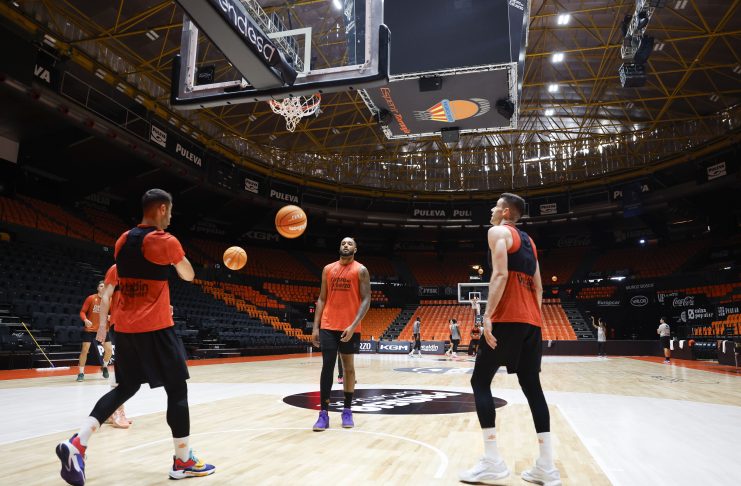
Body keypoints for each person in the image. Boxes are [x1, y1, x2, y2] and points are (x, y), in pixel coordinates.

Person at [56, 189, 215, 485]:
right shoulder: (165, 241)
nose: (170, 218)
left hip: (126, 330)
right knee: (177, 390)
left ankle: (78, 442)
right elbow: (188, 274)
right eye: (170, 212)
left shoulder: (122, 240)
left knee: (126, 387)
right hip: (156, 327)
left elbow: (120, 283)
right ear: (162, 208)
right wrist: (175, 259)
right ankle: (183, 460)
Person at [460, 193, 561, 486]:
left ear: (505, 212)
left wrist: (487, 316)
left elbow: (500, 274)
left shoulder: (497, 232)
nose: (491, 210)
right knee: (533, 388)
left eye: (495, 206)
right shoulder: (530, 243)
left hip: (506, 319)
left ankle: (492, 461)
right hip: (531, 322)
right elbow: (539, 288)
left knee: (480, 382)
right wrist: (531, 317)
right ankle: (546, 466)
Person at [311, 237, 371, 431]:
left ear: (355, 249)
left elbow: (366, 299)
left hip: (350, 327)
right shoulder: (328, 269)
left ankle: (347, 410)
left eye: (350, 243)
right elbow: (322, 299)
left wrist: (353, 325)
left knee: (348, 368)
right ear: (339, 247)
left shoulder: (361, 270)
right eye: (343, 243)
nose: (346, 245)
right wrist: (315, 327)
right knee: (327, 366)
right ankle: (323, 414)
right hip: (328, 325)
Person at [95, 264, 132, 428]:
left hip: (138, 323)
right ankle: (115, 410)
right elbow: (106, 297)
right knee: (124, 369)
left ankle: (111, 409)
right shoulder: (117, 268)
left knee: (131, 372)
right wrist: (102, 325)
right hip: (122, 323)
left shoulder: (143, 268)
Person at [76, 281, 113, 382]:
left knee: (109, 350)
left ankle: (104, 367)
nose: (103, 288)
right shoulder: (91, 298)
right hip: (90, 329)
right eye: (101, 286)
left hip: (102, 329)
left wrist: (111, 317)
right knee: (85, 350)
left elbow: (114, 313)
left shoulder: (110, 300)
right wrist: (85, 320)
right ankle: (81, 373)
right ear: (97, 288)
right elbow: (82, 312)